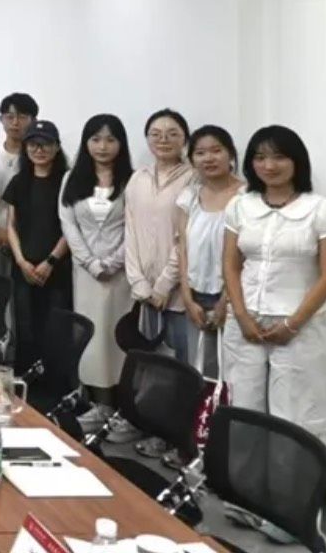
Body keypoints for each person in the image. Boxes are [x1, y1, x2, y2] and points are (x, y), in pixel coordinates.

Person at [223, 125, 326, 446]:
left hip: (301, 324)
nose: (269, 166)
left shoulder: (321, 209)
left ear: (297, 161)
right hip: (245, 322)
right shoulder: (240, 205)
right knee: (243, 409)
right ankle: (243, 478)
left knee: (299, 416)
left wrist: (292, 324)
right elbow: (230, 265)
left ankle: (293, 479)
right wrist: (241, 315)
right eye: (260, 157)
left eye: (279, 157)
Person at [123, 108, 196, 460]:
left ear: (185, 138)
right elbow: (129, 230)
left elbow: (186, 239)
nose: (163, 140)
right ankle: (152, 427)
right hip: (144, 291)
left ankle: (179, 438)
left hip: (178, 292)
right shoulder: (137, 178)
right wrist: (138, 281)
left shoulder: (194, 179)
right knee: (151, 364)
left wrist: (164, 284)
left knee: (182, 366)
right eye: (156, 133)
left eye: (172, 133)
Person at [58, 114, 135, 430]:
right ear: (86, 142)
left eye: (110, 139)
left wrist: (113, 262)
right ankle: (96, 404)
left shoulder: (132, 181)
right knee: (90, 339)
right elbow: (68, 224)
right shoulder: (71, 178)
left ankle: (122, 408)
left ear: (121, 143)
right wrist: (89, 262)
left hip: (120, 276)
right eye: (96, 139)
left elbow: (136, 228)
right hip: (86, 275)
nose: (103, 146)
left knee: (117, 340)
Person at [3, 120, 71, 374]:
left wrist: (50, 261)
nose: (39, 150)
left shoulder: (67, 182)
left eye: (45, 144)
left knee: (54, 330)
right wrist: (21, 261)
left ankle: (53, 387)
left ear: (57, 147)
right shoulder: (19, 182)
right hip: (24, 269)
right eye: (33, 144)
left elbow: (71, 228)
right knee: (25, 329)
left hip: (57, 269)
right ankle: (26, 385)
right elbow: (11, 225)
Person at [176, 126, 244, 378]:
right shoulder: (188, 196)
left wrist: (226, 299)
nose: (209, 158)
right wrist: (187, 297)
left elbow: (245, 254)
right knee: (199, 371)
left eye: (216, 151)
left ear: (231, 154)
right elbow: (182, 248)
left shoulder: (246, 197)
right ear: (192, 159)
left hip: (235, 297)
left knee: (232, 372)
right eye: (200, 153)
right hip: (197, 296)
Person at [0, 93, 38, 276]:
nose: (15, 123)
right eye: (10, 117)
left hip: (30, 243)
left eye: (22, 117)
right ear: (1, 119)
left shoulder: (40, 157)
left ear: (33, 120)